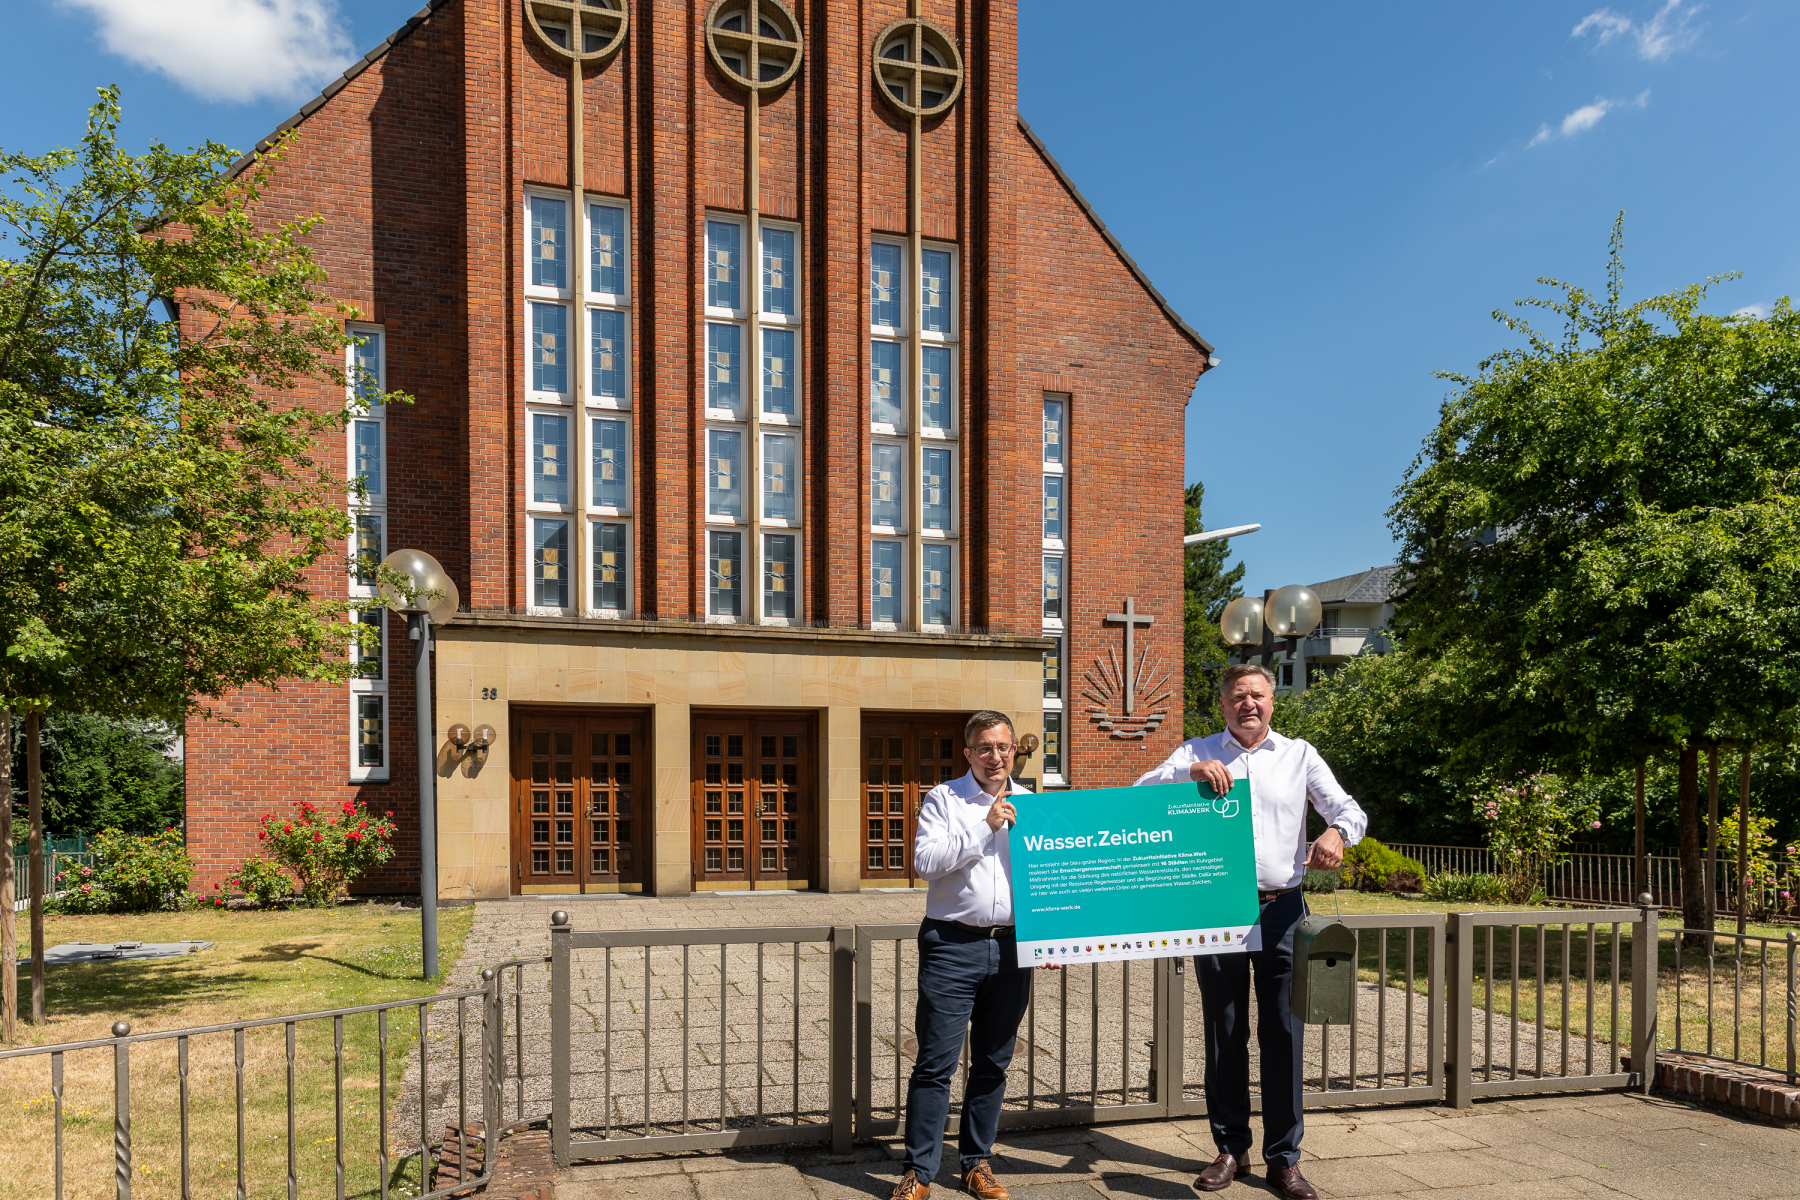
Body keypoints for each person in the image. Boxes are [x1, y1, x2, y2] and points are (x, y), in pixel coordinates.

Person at [1134, 663, 1366, 1200]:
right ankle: (1230, 1149)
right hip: (1217, 910)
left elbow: (1350, 811)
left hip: (1284, 910)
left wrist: (1335, 834)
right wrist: (1189, 774)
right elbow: (1142, 791)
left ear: (1271, 702)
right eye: (1238, 697)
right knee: (1225, 1031)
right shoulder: (1196, 750)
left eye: (1257, 696)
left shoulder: (1299, 754)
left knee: (1284, 1034)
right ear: (1223, 705)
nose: (1248, 705)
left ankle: (1284, 1159)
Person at [890, 710, 1055, 1200]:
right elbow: (924, 863)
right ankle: (920, 1170)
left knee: (992, 1063)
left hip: (1010, 949)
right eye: (984, 748)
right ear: (968, 753)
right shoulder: (945, 799)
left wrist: (1051, 936)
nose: (995, 756)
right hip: (952, 946)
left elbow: (1046, 882)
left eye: (1003, 747)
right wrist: (984, 827)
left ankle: (976, 1163)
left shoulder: (1033, 805)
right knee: (935, 1063)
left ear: (1014, 751)